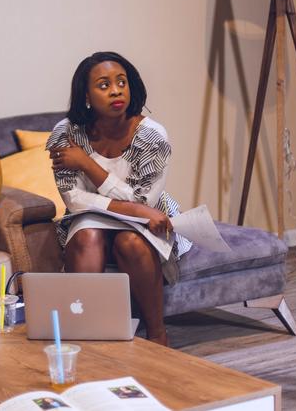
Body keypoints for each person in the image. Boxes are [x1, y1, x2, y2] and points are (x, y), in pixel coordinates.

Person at [47, 51, 192, 346]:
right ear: (86, 95)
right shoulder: (66, 134)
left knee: (131, 241)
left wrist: (87, 165)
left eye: (121, 82)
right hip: (89, 220)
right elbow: (75, 200)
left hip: (145, 222)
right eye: (103, 85)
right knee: (87, 235)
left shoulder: (152, 136)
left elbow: (145, 202)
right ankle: (87, 334)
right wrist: (132, 206)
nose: (115, 90)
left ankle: (157, 334)